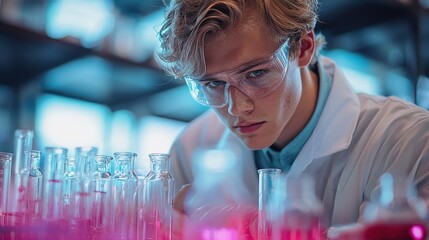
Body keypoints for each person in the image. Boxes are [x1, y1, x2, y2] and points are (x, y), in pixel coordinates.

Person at [156, 0, 429, 237]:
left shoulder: (409, 142)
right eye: (213, 84)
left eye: (256, 74)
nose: (237, 107)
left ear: (303, 47)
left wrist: (252, 230)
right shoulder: (189, 152)